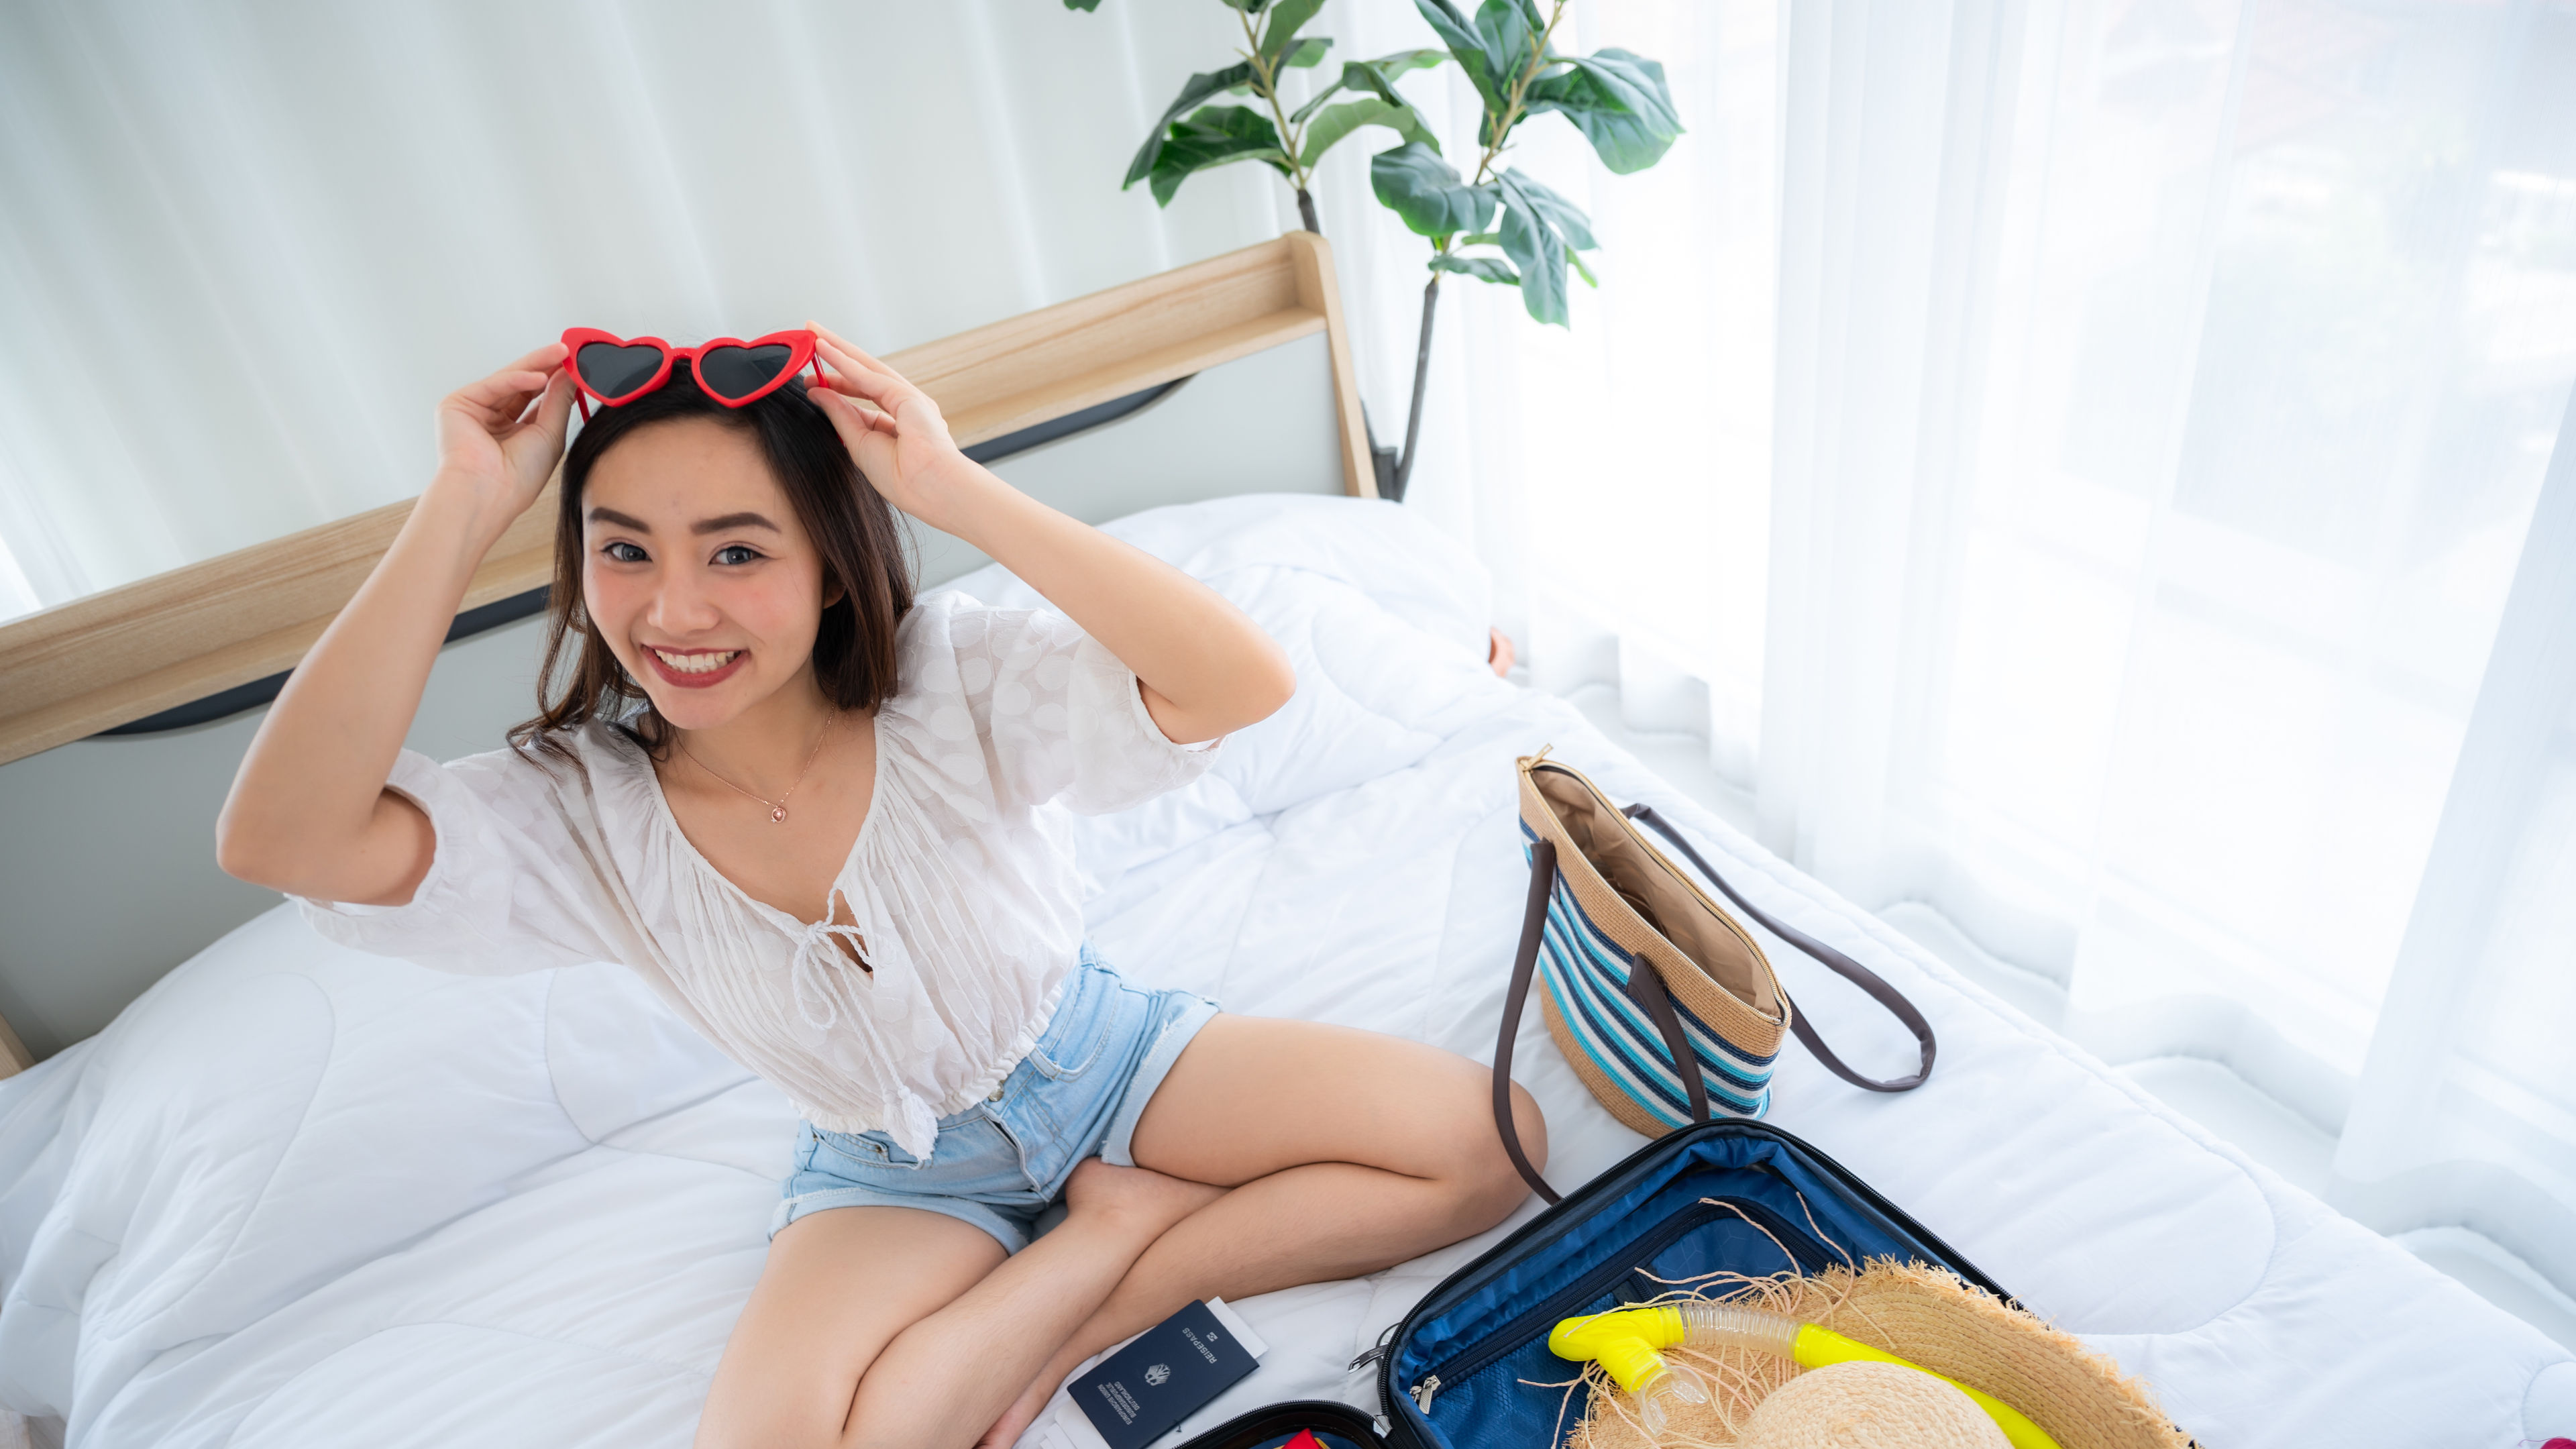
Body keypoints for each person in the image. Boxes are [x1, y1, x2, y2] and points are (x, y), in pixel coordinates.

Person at [216, 326, 1548, 1449]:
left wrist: (952, 486)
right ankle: (1103, 1238)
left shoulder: (953, 680)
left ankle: (1096, 1289)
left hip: (1104, 1058)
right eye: (624, 552)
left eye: (737, 552)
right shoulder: (576, 811)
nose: (674, 610)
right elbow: (285, 840)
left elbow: (1236, 683)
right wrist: (459, 502)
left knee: (1498, 1146)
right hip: (890, 1166)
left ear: (831, 556)